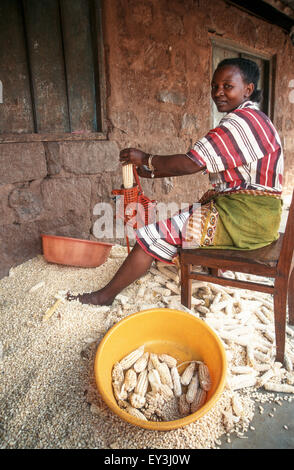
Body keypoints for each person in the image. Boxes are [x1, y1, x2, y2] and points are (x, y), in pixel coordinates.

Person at [68, 57, 283, 306]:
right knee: (188, 215)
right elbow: (202, 164)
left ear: (248, 89)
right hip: (257, 218)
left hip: (245, 220)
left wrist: (146, 158)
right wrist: (149, 172)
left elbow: (192, 163)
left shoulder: (240, 122)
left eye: (227, 86)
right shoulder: (256, 118)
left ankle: (104, 297)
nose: (218, 93)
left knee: (151, 235)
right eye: (215, 86)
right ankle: (214, 269)